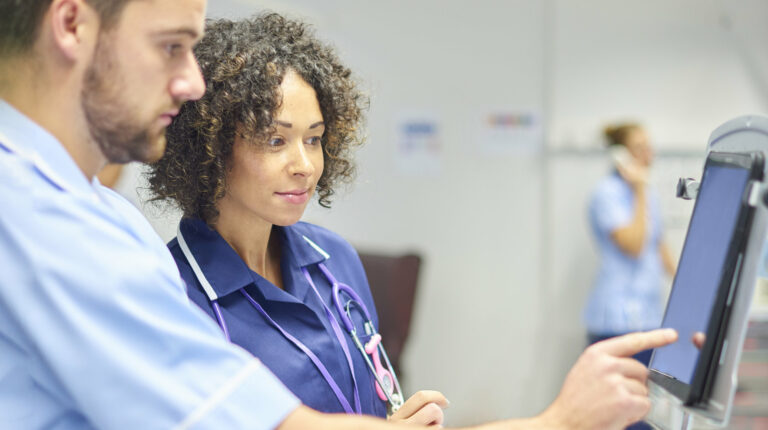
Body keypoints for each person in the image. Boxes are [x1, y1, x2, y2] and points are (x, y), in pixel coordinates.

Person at [0, 1, 678, 429]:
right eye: (170, 46)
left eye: (315, 138)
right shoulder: (70, 238)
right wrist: (558, 422)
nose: (188, 82)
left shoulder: (110, 221)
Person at [145, 13, 445, 424]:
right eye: (275, 140)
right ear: (210, 147)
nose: (304, 165)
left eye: (314, 139)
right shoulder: (173, 298)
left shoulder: (335, 259)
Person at [584, 123, 677, 429]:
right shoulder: (606, 194)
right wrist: (638, 189)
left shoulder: (648, 194)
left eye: (648, 147)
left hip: (647, 317)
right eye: (639, 148)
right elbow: (634, 245)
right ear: (620, 155)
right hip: (616, 320)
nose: (648, 154)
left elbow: (658, 245)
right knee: (622, 411)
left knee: (646, 408)